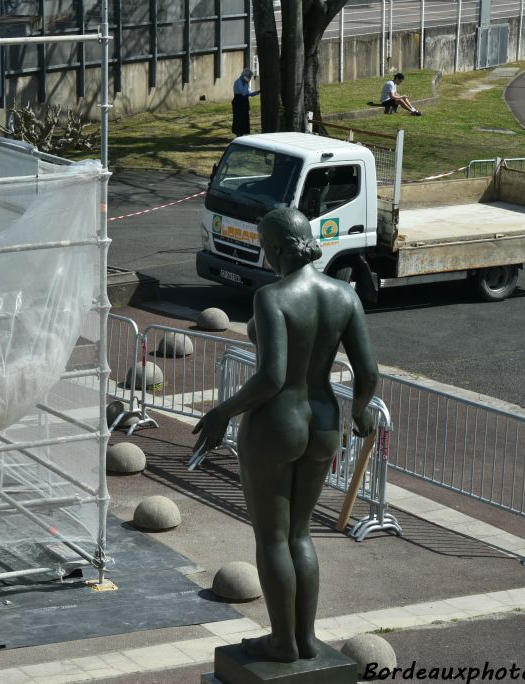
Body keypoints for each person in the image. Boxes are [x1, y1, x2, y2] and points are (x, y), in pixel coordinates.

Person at [192, 207, 379, 663]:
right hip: (323, 421)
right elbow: (368, 371)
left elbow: (272, 377)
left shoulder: (272, 297)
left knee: (273, 538)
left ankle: (281, 642)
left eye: (263, 244)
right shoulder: (343, 295)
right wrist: (358, 409)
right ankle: (306, 638)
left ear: (275, 247)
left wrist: (223, 412)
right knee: (300, 535)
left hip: (278, 422)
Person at [232, 68, 261, 136]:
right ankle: (239, 133)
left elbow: (249, 93)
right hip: (238, 102)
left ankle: (243, 133)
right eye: (249, 77)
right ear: (245, 76)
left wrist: (257, 92)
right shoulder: (238, 82)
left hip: (244, 103)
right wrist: (246, 84)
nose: (250, 79)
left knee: (245, 119)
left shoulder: (245, 83)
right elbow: (243, 93)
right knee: (239, 118)